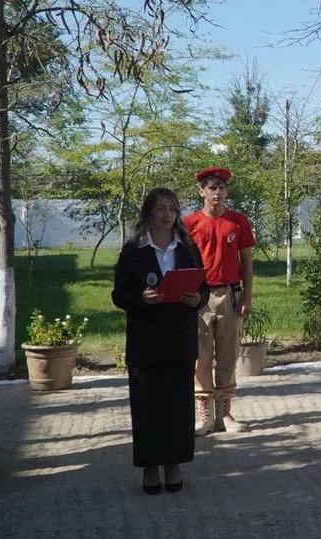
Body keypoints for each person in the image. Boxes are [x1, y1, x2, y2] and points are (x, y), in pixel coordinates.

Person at [112, 188, 208, 494]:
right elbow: (119, 294)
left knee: (178, 406)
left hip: (179, 337)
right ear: (148, 213)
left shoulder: (187, 247)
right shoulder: (134, 248)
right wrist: (141, 298)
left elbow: (203, 287)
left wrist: (197, 298)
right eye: (160, 208)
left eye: (172, 209)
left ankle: (174, 464)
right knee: (148, 406)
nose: (167, 214)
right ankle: (150, 468)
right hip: (146, 340)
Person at [184, 167, 256, 436]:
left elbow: (246, 261)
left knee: (227, 354)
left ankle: (224, 412)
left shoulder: (237, 221)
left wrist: (247, 296)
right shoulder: (189, 223)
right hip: (199, 296)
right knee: (201, 357)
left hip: (229, 294)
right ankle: (203, 413)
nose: (217, 192)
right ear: (201, 191)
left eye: (222, 187)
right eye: (212, 187)